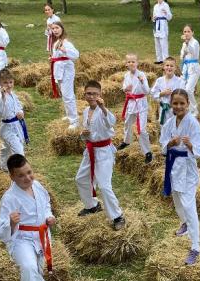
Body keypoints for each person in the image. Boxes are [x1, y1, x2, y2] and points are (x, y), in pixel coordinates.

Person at [0, 154, 56, 281]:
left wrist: (48, 216)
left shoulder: (37, 186)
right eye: (21, 175)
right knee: (29, 268)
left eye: (29, 172)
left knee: (36, 269)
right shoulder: (9, 198)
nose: (27, 178)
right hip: (21, 239)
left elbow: (46, 204)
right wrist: (11, 224)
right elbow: (0, 231)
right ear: (12, 177)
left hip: (41, 235)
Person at [160, 88, 200, 266]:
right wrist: (169, 143)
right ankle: (185, 223)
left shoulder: (193, 123)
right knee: (177, 200)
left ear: (188, 104)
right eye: (175, 103)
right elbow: (162, 144)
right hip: (173, 166)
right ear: (171, 104)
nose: (178, 106)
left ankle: (195, 246)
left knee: (188, 205)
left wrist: (190, 145)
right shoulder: (169, 123)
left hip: (187, 167)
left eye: (182, 103)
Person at [75, 80, 126, 230]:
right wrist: (83, 134)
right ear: (84, 94)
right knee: (80, 179)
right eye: (88, 94)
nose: (91, 96)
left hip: (104, 152)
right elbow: (86, 132)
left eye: (95, 94)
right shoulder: (85, 112)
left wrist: (103, 107)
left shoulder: (103, 111)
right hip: (90, 150)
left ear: (100, 95)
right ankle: (92, 205)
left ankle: (117, 216)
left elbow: (111, 122)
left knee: (104, 186)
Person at [116, 53, 152, 164]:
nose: (131, 63)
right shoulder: (126, 75)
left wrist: (141, 82)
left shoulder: (141, 75)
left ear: (137, 63)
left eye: (133, 61)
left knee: (141, 129)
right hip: (131, 103)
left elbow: (147, 91)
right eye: (129, 62)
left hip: (140, 103)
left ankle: (147, 152)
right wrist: (126, 88)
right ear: (126, 64)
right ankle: (127, 141)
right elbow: (124, 89)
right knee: (127, 123)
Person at [0, 69, 28, 171]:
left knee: (6, 147)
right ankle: (21, 170)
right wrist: (3, 98)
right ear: (0, 83)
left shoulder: (13, 94)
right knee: (18, 149)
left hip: (16, 125)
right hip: (7, 128)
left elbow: (18, 106)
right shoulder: (0, 97)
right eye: (5, 82)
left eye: (10, 82)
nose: (8, 85)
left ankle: (4, 166)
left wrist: (21, 112)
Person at [48, 21, 80, 130]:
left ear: (62, 29)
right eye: (53, 28)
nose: (55, 30)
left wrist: (65, 50)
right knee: (64, 94)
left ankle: (74, 120)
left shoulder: (66, 43)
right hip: (59, 70)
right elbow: (57, 55)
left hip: (67, 70)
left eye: (57, 28)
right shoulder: (57, 42)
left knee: (68, 95)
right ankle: (69, 114)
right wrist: (53, 58)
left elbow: (76, 55)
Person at [151, 56, 183, 127]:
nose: (169, 67)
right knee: (164, 129)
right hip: (163, 109)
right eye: (167, 65)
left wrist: (174, 95)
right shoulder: (160, 80)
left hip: (175, 109)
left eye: (171, 66)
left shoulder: (180, 81)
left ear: (175, 68)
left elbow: (183, 95)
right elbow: (153, 93)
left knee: (175, 128)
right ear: (163, 67)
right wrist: (162, 93)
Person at [179, 25, 200, 115]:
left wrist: (188, 43)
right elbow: (181, 56)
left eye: (188, 31)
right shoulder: (184, 43)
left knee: (189, 89)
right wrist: (183, 53)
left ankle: (194, 109)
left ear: (192, 32)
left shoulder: (195, 42)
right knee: (182, 88)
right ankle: (187, 107)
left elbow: (194, 53)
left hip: (194, 67)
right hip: (186, 67)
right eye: (185, 32)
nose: (186, 33)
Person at [152, 0, 173, 64]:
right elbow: (153, 17)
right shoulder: (155, 6)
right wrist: (154, 18)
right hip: (156, 25)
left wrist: (166, 13)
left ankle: (165, 60)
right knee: (157, 43)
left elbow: (170, 17)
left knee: (163, 44)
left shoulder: (165, 5)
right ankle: (159, 59)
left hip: (163, 25)